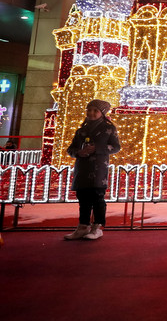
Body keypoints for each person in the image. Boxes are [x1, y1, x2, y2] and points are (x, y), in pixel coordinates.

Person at [64, 100, 121, 241]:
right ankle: (83, 227)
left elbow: (116, 147)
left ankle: (97, 227)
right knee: (83, 198)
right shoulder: (81, 130)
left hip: (98, 170)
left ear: (102, 113)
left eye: (95, 110)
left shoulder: (109, 129)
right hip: (82, 168)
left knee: (97, 198)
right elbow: (70, 149)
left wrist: (98, 149)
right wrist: (79, 152)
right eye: (89, 110)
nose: (91, 113)